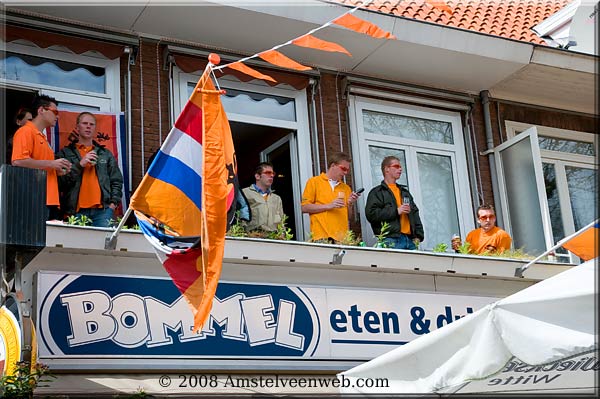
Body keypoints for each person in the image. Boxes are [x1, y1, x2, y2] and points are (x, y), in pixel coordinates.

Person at [57, 112, 123, 227]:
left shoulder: (105, 154)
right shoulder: (65, 153)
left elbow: (116, 180)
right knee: (75, 245)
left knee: (103, 244)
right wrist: (80, 164)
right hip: (75, 211)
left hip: (103, 211)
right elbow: (60, 183)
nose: (88, 126)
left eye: (91, 124)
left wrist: (113, 204)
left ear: (95, 128)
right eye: (85, 123)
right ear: (77, 127)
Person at [11, 95, 72, 220]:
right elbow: (18, 161)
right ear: (41, 110)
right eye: (55, 112)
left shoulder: (41, 136)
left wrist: (58, 170)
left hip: (48, 199)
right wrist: (52, 164)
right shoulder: (25, 131)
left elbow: (40, 165)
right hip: (35, 199)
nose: (58, 116)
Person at [365, 156, 424, 250]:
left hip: (410, 240)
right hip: (390, 239)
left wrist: (418, 236)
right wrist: (396, 211)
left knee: (414, 265)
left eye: (400, 167)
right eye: (396, 166)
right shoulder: (377, 192)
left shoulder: (404, 192)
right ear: (387, 169)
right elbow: (371, 214)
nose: (400, 169)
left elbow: (415, 213)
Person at [301, 152, 361, 242]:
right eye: (343, 168)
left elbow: (348, 217)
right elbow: (304, 207)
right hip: (321, 236)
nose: (345, 173)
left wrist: (350, 203)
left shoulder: (346, 188)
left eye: (347, 170)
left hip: (342, 239)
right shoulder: (314, 182)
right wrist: (329, 205)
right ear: (333, 165)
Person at [242, 162, 284, 232]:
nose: (271, 176)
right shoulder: (245, 193)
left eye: (272, 173)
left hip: (274, 239)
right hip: (252, 238)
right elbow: (239, 219)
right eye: (268, 173)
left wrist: (283, 237)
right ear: (257, 176)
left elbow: (282, 222)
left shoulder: (276, 198)